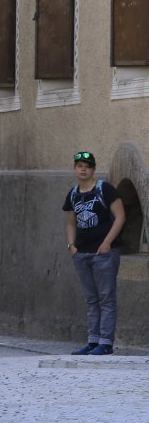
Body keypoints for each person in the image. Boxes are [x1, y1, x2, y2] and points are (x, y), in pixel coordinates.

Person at [62, 150, 126, 355]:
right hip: (81, 254)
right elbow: (71, 222)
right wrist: (71, 246)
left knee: (106, 298)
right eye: (80, 166)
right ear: (75, 169)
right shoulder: (73, 194)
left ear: (94, 169)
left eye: (88, 166)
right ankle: (93, 341)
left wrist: (107, 243)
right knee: (91, 299)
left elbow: (120, 216)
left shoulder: (104, 189)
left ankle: (105, 343)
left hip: (104, 253)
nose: (83, 170)